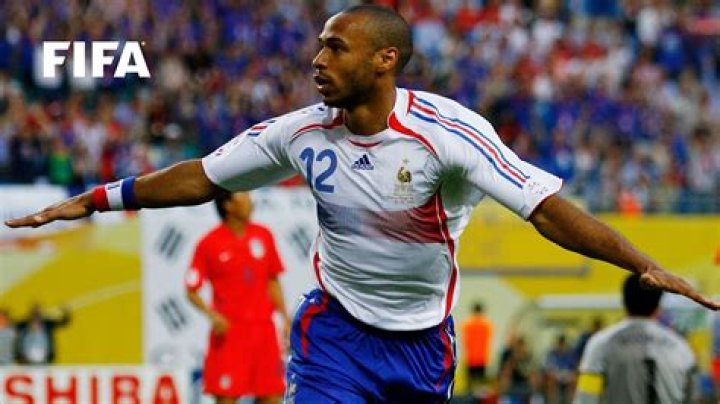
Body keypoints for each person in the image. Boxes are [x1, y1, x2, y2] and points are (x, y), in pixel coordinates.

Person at [5, 4, 718, 402]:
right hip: (335, 336)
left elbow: (547, 209)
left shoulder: (449, 135)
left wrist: (641, 262)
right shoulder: (301, 132)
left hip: (423, 348)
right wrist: (97, 199)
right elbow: (206, 177)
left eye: (335, 48)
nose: (318, 60)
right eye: (319, 46)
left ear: (384, 60)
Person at [185, 191, 289, 404]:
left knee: (272, 396)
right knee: (226, 398)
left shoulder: (263, 235)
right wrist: (212, 315)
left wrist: (285, 317)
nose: (251, 201)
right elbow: (191, 289)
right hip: (230, 334)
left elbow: (272, 280)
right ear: (228, 206)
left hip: (264, 331)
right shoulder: (209, 243)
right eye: (244, 197)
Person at [574, 274, 697, 404]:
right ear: (658, 306)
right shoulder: (680, 347)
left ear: (624, 302)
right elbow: (691, 396)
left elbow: (586, 398)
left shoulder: (601, 344)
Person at [462, 302, 493, 397]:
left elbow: (465, 341)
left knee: (469, 385)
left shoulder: (467, 325)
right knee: (481, 385)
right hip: (482, 358)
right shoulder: (487, 325)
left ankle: (469, 399)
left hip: (471, 358)